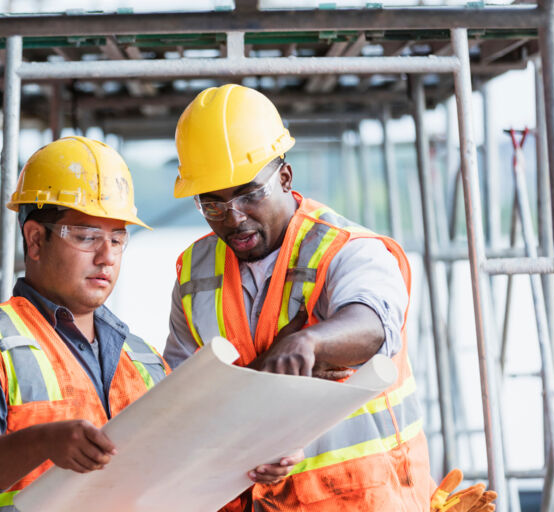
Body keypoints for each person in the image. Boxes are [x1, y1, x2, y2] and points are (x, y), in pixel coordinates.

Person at [165, 84, 433, 511]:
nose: (234, 218)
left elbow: (374, 327)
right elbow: (183, 399)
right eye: (212, 204)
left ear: (285, 178)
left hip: (359, 501)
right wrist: (256, 388)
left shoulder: (346, 248)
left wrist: (308, 342)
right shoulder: (194, 273)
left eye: (249, 194)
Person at [0, 136, 171, 510]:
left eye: (117, 240)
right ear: (35, 240)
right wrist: (43, 443)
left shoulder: (144, 359)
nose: (106, 257)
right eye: (87, 237)